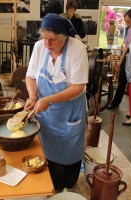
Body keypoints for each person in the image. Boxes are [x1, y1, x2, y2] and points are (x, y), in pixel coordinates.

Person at [24, 13, 88, 189]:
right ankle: (49, 183)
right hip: (46, 113)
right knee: (46, 149)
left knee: (68, 153)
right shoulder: (39, 47)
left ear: (64, 37)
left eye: (52, 40)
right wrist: (33, 96)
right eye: (44, 39)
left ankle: (67, 183)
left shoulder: (77, 49)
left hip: (69, 113)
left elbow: (77, 87)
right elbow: (30, 77)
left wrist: (50, 99)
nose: (47, 44)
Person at [107, 9, 131, 110]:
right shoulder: (129, 30)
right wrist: (120, 61)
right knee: (122, 80)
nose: (128, 24)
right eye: (126, 22)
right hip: (128, 55)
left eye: (129, 21)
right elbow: (126, 47)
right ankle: (115, 102)